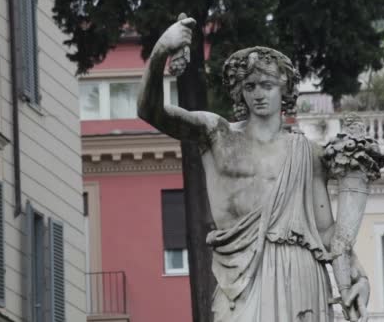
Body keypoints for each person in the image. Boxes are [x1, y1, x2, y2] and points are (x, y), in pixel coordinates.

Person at [137, 16, 370, 322]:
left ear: (283, 89)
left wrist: (358, 277)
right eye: (250, 86)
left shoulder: (306, 152)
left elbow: (325, 230)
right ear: (240, 92)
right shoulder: (217, 134)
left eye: (267, 85)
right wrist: (160, 52)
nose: (258, 93)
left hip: (300, 272)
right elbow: (150, 111)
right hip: (240, 278)